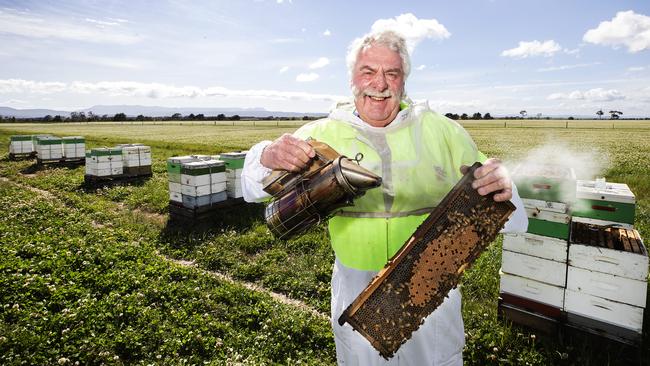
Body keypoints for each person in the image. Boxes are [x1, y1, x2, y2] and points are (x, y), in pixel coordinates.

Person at [241, 29, 527, 366]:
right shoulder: (320, 134)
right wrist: (266, 154)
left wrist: (504, 183)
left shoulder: (443, 131)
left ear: (404, 81)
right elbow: (252, 187)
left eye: (392, 73)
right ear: (351, 79)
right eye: (368, 71)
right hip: (355, 287)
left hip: (432, 290)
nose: (380, 84)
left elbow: (505, 205)